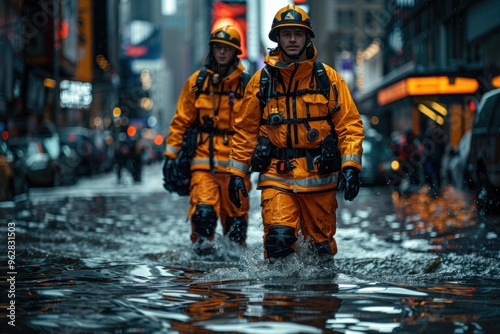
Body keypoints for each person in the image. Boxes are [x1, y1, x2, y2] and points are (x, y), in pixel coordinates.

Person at [226, 5, 364, 261]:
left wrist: (352, 166)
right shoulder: (261, 80)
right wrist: (236, 173)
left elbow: (349, 125)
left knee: (320, 253)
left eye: (297, 34)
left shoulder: (328, 79)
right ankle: (279, 299)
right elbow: (245, 131)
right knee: (278, 242)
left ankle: (317, 298)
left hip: (319, 177)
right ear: (277, 38)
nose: (291, 39)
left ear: (307, 38)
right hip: (277, 175)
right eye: (286, 33)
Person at [162, 25, 252, 255]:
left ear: (236, 53)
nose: (222, 52)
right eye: (218, 48)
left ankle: (233, 269)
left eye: (227, 49)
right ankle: (202, 267)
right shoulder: (197, 82)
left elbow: (256, 126)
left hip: (236, 169)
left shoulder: (247, 85)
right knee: (203, 216)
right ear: (212, 50)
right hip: (204, 165)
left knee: (237, 228)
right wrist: (170, 157)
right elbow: (180, 121)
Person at [423, 120, 446, 196]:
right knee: (430, 172)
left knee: (438, 172)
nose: (433, 127)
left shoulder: (438, 134)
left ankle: (438, 187)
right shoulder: (428, 134)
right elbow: (426, 145)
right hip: (430, 158)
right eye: (431, 125)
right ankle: (432, 187)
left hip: (437, 158)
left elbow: (442, 145)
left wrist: (440, 154)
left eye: (434, 125)